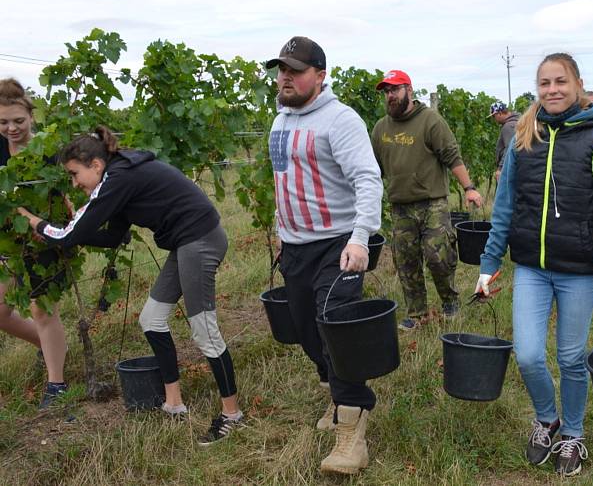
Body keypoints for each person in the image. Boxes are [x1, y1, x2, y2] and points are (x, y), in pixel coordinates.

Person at [18, 126, 243, 445]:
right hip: (186, 242)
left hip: (200, 240)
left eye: (74, 174)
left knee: (203, 329)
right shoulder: (119, 177)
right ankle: (173, 402)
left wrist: (36, 221)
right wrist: (63, 232)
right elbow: (112, 237)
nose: (74, 183)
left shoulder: (117, 178)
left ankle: (231, 415)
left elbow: (72, 234)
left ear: (95, 165)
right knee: (151, 320)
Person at [475, 53, 593, 477]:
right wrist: (489, 261)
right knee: (527, 354)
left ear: (577, 83)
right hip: (531, 267)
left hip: (579, 270)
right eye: (544, 83)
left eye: (560, 81)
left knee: (570, 357)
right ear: (537, 88)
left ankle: (574, 434)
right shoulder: (524, 138)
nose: (552, 89)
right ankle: (548, 418)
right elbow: (504, 205)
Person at [266, 36, 383, 475]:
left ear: (320, 75)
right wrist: (282, 232)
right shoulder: (280, 121)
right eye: (282, 70)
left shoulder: (340, 120)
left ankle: (352, 433)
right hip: (296, 246)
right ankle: (337, 398)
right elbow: (285, 183)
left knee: (336, 329)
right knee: (307, 331)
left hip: (337, 244)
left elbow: (368, 180)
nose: (286, 77)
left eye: (295, 70)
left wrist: (360, 238)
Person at [371, 69, 482, 331]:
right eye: (386, 92)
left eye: (395, 90)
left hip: (432, 202)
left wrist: (469, 188)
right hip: (400, 206)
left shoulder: (430, 120)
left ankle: (449, 300)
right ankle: (417, 313)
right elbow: (373, 168)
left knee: (437, 255)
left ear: (409, 90)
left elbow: (451, 155)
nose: (390, 96)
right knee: (406, 260)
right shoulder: (380, 128)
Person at [0, 77, 70, 410]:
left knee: (42, 310)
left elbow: (66, 190)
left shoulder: (47, 150)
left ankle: (57, 383)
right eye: (3, 122)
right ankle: (48, 346)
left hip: (45, 239)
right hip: (8, 240)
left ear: (31, 117)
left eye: (18, 121)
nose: (11, 128)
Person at [487, 101, 520, 182]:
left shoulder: (508, 126)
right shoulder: (517, 122)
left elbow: (509, 148)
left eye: (494, 116)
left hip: (509, 168)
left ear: (500, 113)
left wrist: (500, 168)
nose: (494, 119)